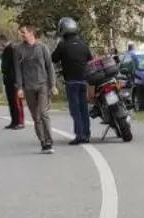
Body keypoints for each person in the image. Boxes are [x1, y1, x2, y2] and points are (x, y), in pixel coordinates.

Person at [14, 23, 56, 154]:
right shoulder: (19, 50)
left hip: (43, 85)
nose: (21, 34)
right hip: (28, 87)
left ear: (31, 32)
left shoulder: (42, 47)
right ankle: (43, 142)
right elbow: (18, 70)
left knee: (43, 113)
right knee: (35, 117)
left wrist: (53, 85)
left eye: (23, 32)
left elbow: (50, 67)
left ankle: (49, 141)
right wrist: (20, 88)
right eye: (20, 32)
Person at [51, 17, 92, 145]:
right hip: (84, 81)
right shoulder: (83, 45)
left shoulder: (63, 46)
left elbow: (53, 58)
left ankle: (79, 135)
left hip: (71, 82)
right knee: (84, 108)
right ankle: (86, 133)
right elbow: (89, 59)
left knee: (75, 109)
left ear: (63, 29)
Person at [0, 32, 24, 129]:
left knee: (16, 102)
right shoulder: (6, 50)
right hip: (8, 79)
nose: (0, 44)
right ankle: (14, 121)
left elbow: (16, 66)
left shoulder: (12, 50)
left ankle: (20, 121)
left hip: (14, 80)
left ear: (4, 40)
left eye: (0, 41)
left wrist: (17, 81)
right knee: (11, 102)